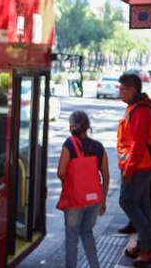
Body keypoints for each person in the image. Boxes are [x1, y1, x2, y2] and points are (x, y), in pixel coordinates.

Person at [116, 73, 151, 266]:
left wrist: (129, 169)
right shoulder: (135, 107)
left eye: (122, 88)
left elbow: (138, 144)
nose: (119, 91)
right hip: (141, 165)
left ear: (133, 89)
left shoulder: (141, 111)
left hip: (139, 167)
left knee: (126, 201)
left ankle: (149, 247)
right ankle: (144, 244)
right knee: (142, 205)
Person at [57, 111, 109, 268]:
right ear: (87, 126)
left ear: (72, 126)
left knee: (72, 237)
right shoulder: (99, 147)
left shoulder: (69, 144)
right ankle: (95, 266)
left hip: (74, 200)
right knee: (86, 232)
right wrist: (103, 200)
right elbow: (106, 177)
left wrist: (71, 183)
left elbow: (61, 172)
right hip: (94, 201)